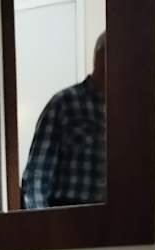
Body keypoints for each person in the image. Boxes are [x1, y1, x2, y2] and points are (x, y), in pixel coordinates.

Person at [21, 33, 107, 209]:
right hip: (69, 213)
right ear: (100, 58)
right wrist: (43, 222)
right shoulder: (64, 104)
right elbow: (37, 174)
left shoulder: (129, 109)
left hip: (119, 216)